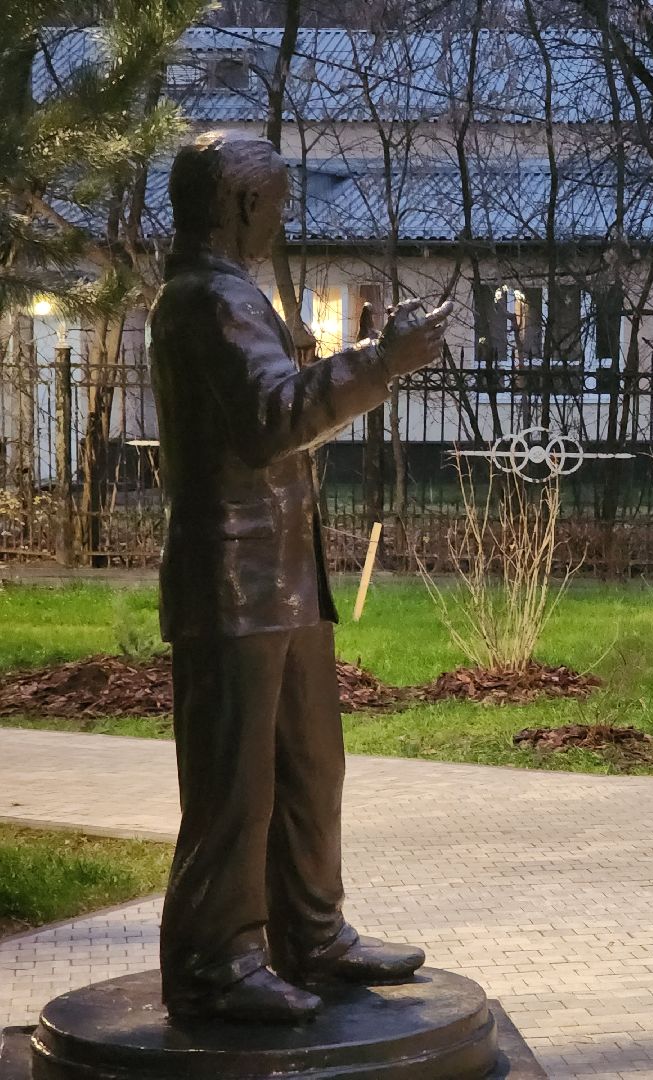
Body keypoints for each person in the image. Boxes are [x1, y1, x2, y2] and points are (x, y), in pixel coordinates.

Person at [148, 131, 454, 1023]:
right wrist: (379, 362)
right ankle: (215, 964)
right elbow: (271, 419)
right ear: (242, 204)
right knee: (233, 790)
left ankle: (309, 934)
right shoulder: (206, 300)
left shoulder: (237, 296)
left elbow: (285, 412)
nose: (284, 217)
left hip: (281, 577)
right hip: (233, 581)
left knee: (311, 766)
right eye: (277, 201)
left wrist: (363, 367)